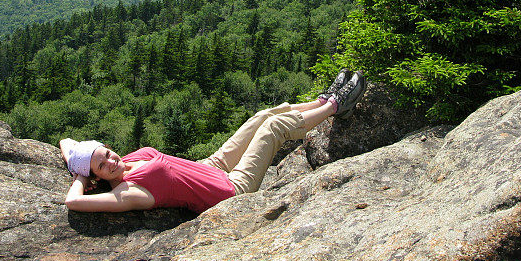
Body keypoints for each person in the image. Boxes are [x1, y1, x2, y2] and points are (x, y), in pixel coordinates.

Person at [60, 69, 366, 213]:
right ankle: (335, 106)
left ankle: (319, 101)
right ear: (96, 176)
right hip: (230, 189)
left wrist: (81, 160)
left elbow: (66, 141)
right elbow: (73, 202)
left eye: (108, 153)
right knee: (273, 128)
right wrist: (78, 177)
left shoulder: (124, 163)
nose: (111, 161)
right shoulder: (127, 192)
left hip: (210, 167)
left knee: (259, 116)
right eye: (102, 165)